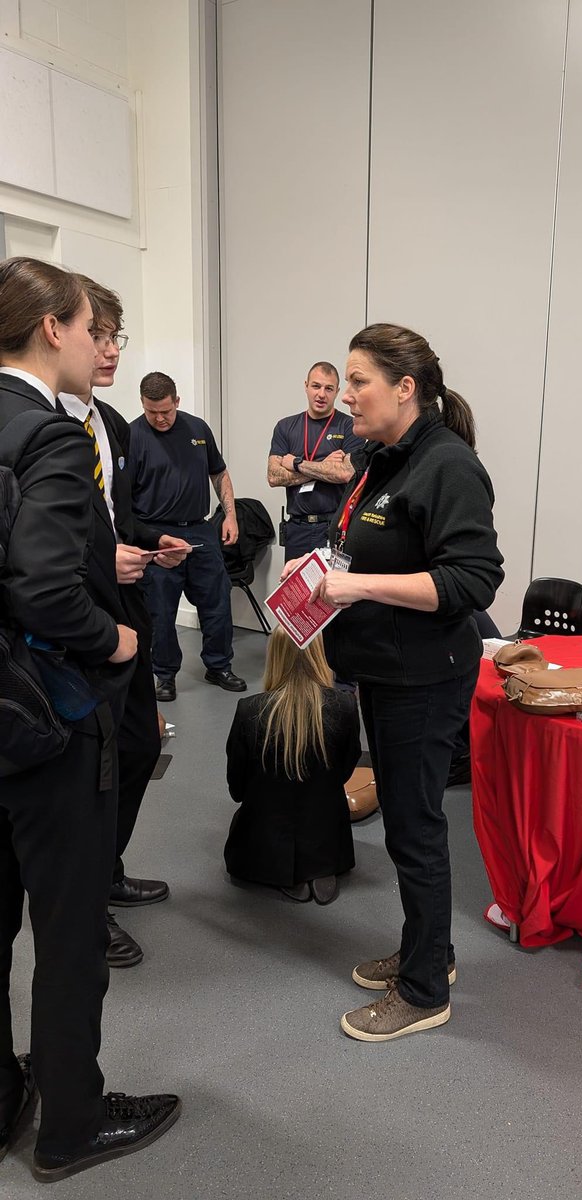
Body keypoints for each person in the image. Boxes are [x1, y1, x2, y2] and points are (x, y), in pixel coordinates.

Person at [0, 257, 179, 1181]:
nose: (98, 342)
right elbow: (39, 586)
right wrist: (111, 639)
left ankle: (3, 1097)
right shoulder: (51, 436)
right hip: (47, 715)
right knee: (69, 929)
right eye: (87, 325)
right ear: (51, 329)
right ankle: (71, 1120)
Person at [283, 322, 504, 1042]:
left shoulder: (448, 466)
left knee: (414, 830)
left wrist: (356, 585)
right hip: (381, 668)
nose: (345, 396)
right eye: (344, 382)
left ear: (405, 388)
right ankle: (425, 954)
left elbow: (472, 580)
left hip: (423, 679)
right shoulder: (382, 458)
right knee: (410, 823)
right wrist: (315, 570)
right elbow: (361, 539)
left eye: (358, 382)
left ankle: (422, 990)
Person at [59, 277, 193, 968]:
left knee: (139, 747)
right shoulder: (36, 423)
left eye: (118, 337)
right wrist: (104, 561)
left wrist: (150, 541)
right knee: (87, 769)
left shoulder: (108, 425)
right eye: (100, 335)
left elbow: (114, 518)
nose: (111, 351)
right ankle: (86, 906)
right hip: (72, 625)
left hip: (126, 615)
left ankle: (104, 870)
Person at [128, 371, 246, 700]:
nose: (160, 418)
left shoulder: (198, 429)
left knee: (217, 601)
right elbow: (122, 501)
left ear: (177, 401)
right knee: (160, 610)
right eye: (152, 412)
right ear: (142, 404)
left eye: (166, 410)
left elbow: (218, 471)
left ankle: (219, 665)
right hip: (155, 533)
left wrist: (230, 516)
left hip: (199, 529)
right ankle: (165, 675)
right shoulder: (132, 436)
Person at [224, 631, 360, 904]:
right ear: (320, 656)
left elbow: (237, 788)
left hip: (264, 848)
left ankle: (287, 871)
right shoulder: (345, 706)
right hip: (328, 843)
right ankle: (318, 867)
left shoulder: (249, 711)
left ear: (274, 656)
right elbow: (346, 769)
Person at [267, 361, 365, 561]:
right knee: (297, 591)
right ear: (306, 386)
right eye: (316, 386)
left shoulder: (350, 426)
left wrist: (296, 463)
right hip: (297, 529)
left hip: (335, 527)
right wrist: (325, 466)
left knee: (333, 590)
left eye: (329, 388)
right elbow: (273, 477)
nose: (321, 394)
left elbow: (346, 473)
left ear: (337, 391)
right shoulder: (285, 427)